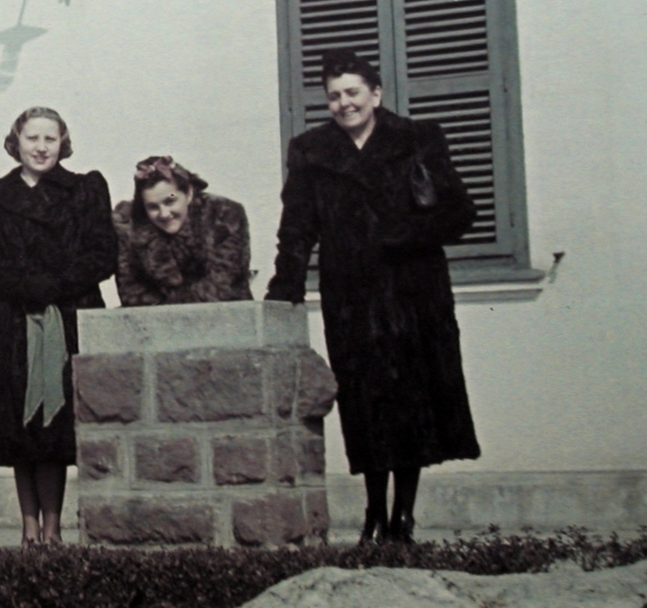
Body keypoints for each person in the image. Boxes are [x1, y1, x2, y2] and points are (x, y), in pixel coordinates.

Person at [265, 49, 481, 544]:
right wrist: (287, 284)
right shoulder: (311, 151)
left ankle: (403, 517)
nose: (344, 104)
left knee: (413, 401)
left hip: (413, 292)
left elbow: (459, 213)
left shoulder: (418, 139)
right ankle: (373, 513)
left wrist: (403, 234)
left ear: (376, 94)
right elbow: (297, 225)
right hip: (351, 294)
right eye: (335, 96)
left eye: (353, 93)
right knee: (365, 403)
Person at [0, 107, 118, 546]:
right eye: (32, 138)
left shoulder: (85, 189)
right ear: (15, 142)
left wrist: (56, 285)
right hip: (18, 322)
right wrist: (28, 287)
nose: (40, 147)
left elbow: (102, 255)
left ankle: (53, 526)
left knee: (57, 426)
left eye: (50, 139)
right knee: (22, 423)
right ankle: (28, 525)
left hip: (69, 317)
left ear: (63, 142)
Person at [113, 156, 252, 306]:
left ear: (188, 194)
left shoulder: (223, 215)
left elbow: (223, 283)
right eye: (153, 207)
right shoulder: (127, 227)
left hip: (227, 315)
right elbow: (132, 293)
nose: (164, 214)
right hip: (157, 322)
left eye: (170, 201)